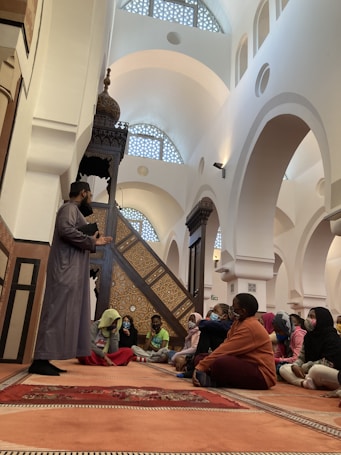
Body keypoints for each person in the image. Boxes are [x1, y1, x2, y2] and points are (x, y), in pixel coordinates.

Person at [28, 181, 113, 376]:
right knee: (54, 312)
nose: (90, 199)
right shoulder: (69, 208)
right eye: (90, 195)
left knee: (62, 314)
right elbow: (66, 230)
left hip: (71, 270)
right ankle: (40, 359)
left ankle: (46, 358)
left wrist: (92, 240)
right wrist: (92, 240)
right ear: (83, 193)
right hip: (64, 270)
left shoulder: (76, 212)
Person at [192, 293, 277, 389]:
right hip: (243, 362)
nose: (231, 310)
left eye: (234, 308)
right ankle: (211, 377)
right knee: (200, 357)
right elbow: (226, 344)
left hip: (262, 374)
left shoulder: (250, 326)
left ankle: (212, 378)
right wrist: (202, 364)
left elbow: (226, 350)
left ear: (243, 311)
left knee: (220, 363)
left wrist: (200, 367)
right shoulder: (238, 323)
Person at [279, 307, 341, 388]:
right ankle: (304, 383)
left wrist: (304, 367)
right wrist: (295, 366)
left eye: (312, 317)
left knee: (316, 370)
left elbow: (329, 363)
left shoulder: (332, 338)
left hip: (325, 374)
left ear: (322, 320)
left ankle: (307, 380)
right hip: (308, 374)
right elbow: (301, 357)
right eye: (308, 316)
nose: (308, 319)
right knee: (284, 368)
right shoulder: (308, 337)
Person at [178, 303, 233, 378]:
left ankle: (193, 368)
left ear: (225, 316)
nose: (212, 313)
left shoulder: (228, 324)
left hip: (226, 353)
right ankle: (192, 366)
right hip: (215, 352)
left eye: (215, 311)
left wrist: (201, 322)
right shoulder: (219, 325)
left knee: (206, 331)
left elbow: (203, 324)